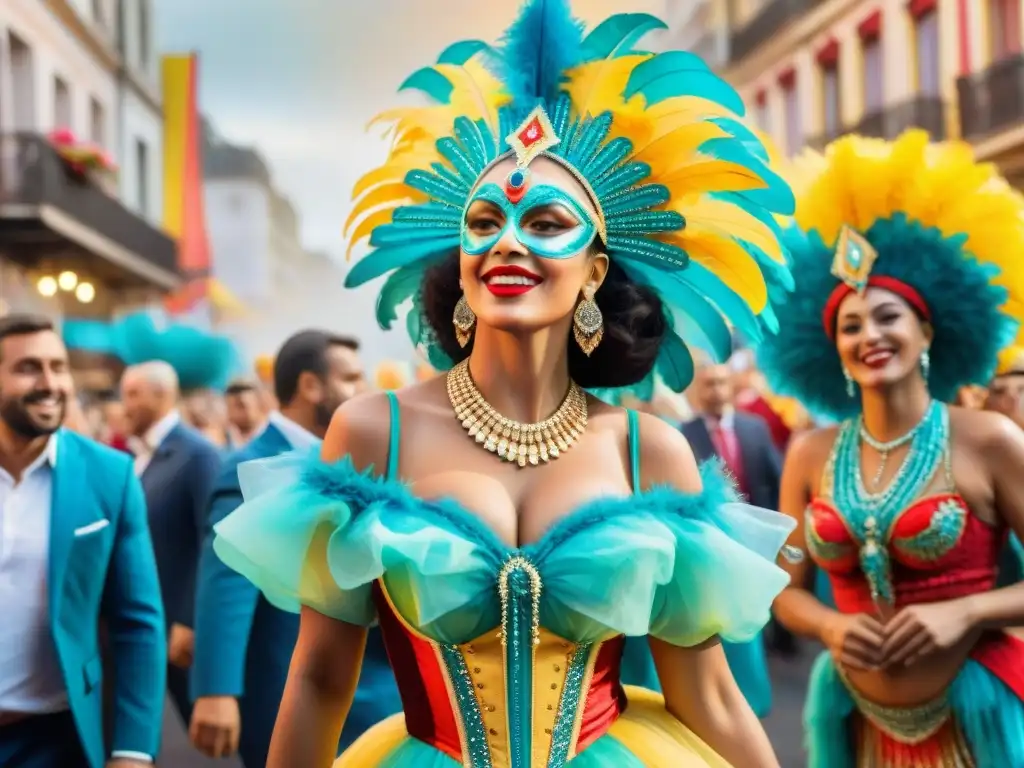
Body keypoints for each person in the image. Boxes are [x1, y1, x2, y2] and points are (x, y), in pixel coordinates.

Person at [213, 1, 798, 765]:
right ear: (459, 264)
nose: (507, 241)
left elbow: (709, 692)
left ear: (594, 271)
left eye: (546, 223)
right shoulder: (370, 432)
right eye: (484, 222)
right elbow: (321, 678)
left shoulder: (646, 451)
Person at [757, 130, 1024, 766]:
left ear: (926, 329)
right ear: (834, 350)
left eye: (887, 317)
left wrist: (965, 613)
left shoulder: (988, 438)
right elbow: (784, 589)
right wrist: (829, 625)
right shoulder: (810, 454)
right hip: (854, 724)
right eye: (850, 325)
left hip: (978, 719)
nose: (868, 334)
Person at [189, 331, 398, 766]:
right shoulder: (252, 466)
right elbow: (227, 582)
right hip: (289, 689)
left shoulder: (358, 458)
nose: (362, 392)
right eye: (351, 378)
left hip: (370, 690)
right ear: (310, 386)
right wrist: (216, 690)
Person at [0, 314, 166, 767]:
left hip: (52, 739)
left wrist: (133, 749)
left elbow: (138, 622)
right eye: (28, 368)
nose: (50, 383)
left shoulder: (109, 476)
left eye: (59, 366)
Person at [120, 361, 221, 727]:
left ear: (162, 394)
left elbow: (212, 539)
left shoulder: (198, 454)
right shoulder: (140, 454)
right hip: (143, 620)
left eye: (132, 394)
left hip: (175, 625)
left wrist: (189, 619)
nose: (124, 404)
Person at [682, 360, 783, 712]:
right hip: (713, 550)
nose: (716, 390)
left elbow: (777, 476)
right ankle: (730, 695)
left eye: (721, 382)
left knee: (758, 620)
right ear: (697, 391)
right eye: (708, 384)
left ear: (732, 386)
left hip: (756, 541)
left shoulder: (754, 428)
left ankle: (753, 690)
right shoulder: (683, 433)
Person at [223, 377, 267, 448]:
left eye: (241, 405)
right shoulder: (223, 440)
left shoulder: (274, 436)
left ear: (259, 404)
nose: (235, 412)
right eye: (230, 406)